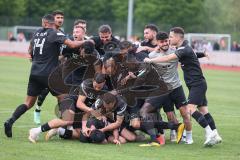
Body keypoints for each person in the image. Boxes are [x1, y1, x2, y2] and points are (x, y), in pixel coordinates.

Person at [4, 14, 85, 138]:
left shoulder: (37, 33)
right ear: (51, 23)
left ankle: (10, 121)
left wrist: (31, 55)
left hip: (34, 73)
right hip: (49, 75)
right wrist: (88, 41)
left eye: (43, 22)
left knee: (28, 103)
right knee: (65, 98)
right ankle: (65, 126)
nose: (42, 24)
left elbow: (30, 48)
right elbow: (73, 45)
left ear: (46, 23)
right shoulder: (54, 33)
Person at [144, 27, 222, 147]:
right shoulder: (182, 48)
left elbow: (168, 58)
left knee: (189, 110)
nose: (168, 40)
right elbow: (193, 54)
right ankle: (215, 134)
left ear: (177, 37)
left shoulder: (182, 49)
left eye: (170, 37)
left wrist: (150, 60)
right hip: (193, 84)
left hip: (196, 84)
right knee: (203, 110)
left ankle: (209, 132)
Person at [140, 31, 192, 145]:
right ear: (157, 43)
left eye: (166, 41)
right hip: (162, 90)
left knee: (184, 113)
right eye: (161, 41)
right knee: (161, 113)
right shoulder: (152, 55)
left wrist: (202, 54)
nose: (164, 43)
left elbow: (190, 53)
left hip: (176, 87)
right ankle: (168, 134)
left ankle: (188, 137)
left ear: (168, 40)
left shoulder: (175, 51)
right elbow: (144, 69)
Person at [29, 73, 108, 143]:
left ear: (104, 83)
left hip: (82, 110)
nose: (97, 89)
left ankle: (59, 131)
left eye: (99, 87)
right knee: (68, 120)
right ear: (93, 80)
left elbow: (97, 106)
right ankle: (35, 131)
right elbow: (79, 104)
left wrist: (101, 114)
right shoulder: (87, 84)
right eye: (95, 86)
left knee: (81, 134)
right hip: (70, 101)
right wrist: (92, 111)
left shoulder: (105, 90)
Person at [33, 10, 66, 125]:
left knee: (61, 96)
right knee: (43, 91)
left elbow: (63, 51)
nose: (60, 19)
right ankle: (37, 109)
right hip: (46, 68)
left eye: (62, 17)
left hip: (58, 69)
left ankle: (63, 119)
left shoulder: (61, 32)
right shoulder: (45, 32)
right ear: (53, 19)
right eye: (58, 17)